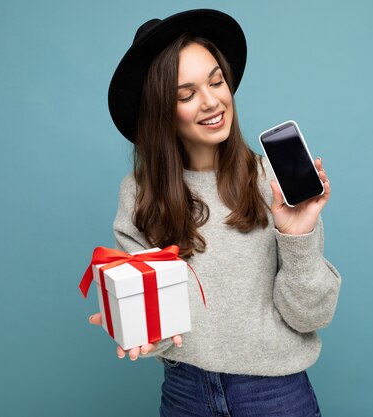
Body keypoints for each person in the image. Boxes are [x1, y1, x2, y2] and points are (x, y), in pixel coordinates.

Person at [87, 9, 342, 417]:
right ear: (160, 112)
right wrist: (140, 328)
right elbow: (162, 330)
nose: (211, 101)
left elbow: (311, 315)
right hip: (185, 393)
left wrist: (297, 237)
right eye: (185, 95)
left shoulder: (274, 181)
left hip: (275, 396)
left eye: (216, 81)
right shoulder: (139, 195)